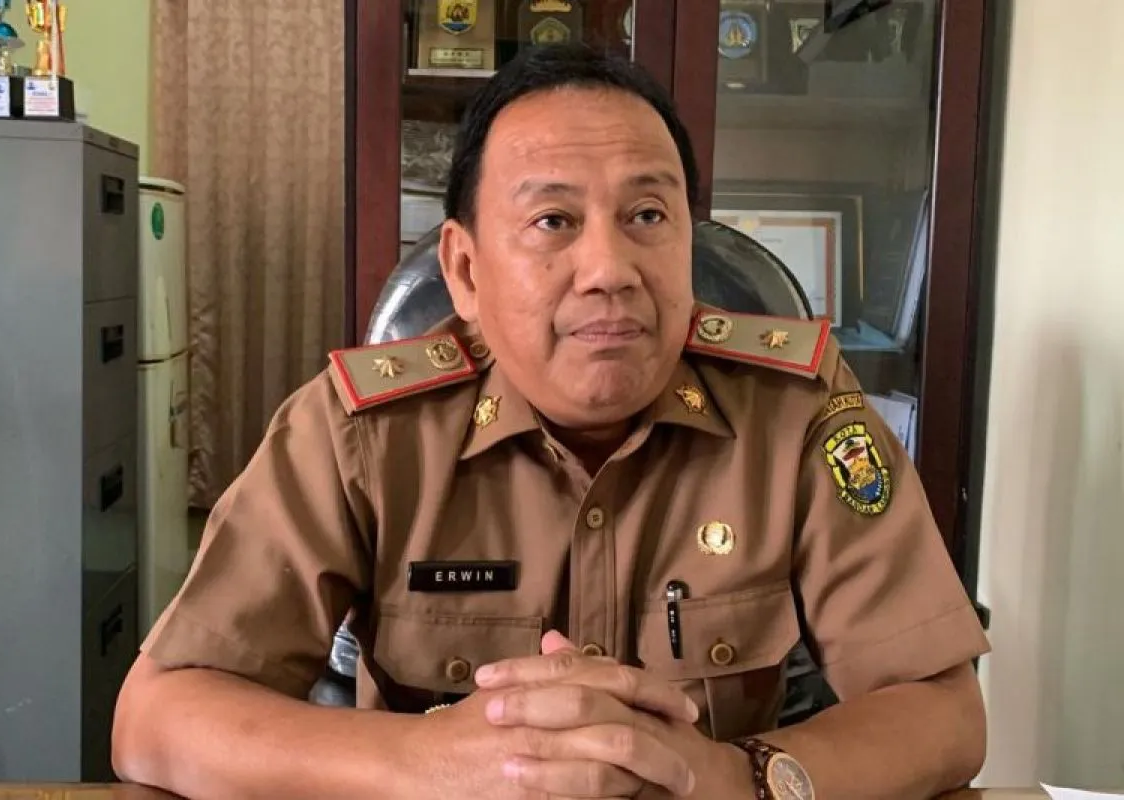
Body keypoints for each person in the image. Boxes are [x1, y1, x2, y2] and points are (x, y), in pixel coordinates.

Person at [112, 43, 990, 800]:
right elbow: (157, 716)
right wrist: (431, 762)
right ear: (464, 270)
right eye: (553, 220)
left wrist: (743, 777)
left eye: (647, 215)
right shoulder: (359, 433)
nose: (609, 267)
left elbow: (944, 711)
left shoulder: (795, 414)